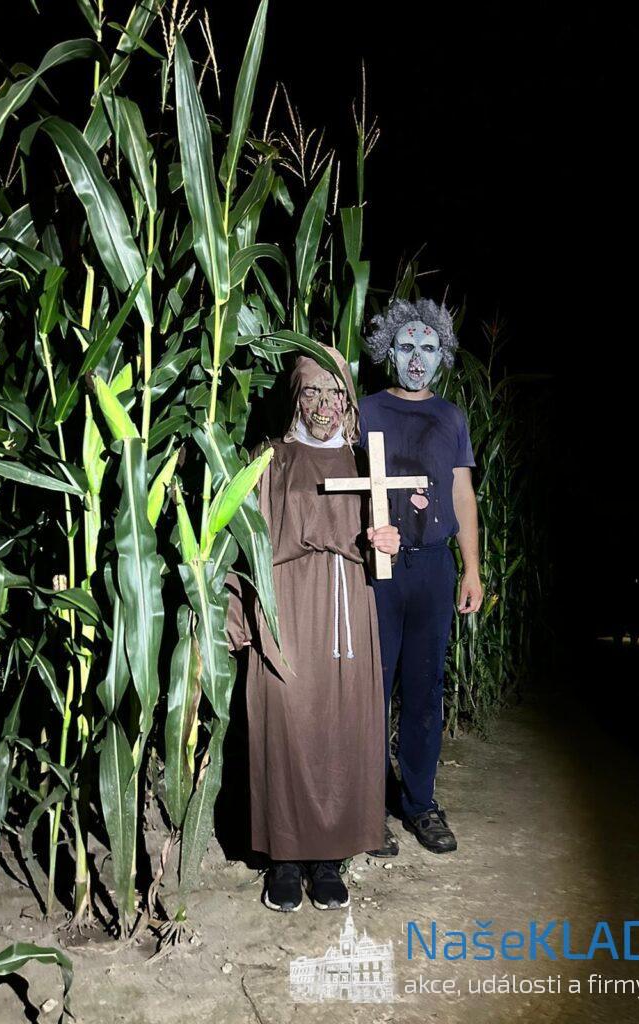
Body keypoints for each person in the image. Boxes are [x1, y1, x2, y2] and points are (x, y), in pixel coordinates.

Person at [225, 346, 400, 912]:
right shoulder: (270, 457)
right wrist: (235, 617)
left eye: (335, 394)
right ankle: (285, 858)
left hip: (347, 610)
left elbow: (379, 545)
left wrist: (386, 542)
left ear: (348, 403)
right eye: (312, 393)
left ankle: (328, 858)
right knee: (285, 722)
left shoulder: (364, 461)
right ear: (295, 398)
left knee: (341, 727)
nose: (324, 406)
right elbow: (239, 541)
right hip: (286, 605)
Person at [360, 297, 483, 856]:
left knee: (425, 690)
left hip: (433, 568)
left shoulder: (451, 418)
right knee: (372, 687)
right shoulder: (365, 411)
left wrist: (471, 569)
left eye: (428, 348)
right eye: (406, 346)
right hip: (378, 571)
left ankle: (419, 803)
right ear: (388, 350)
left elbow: (462, 494)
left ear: (442, 356)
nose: (416, 358)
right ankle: (366, 810)